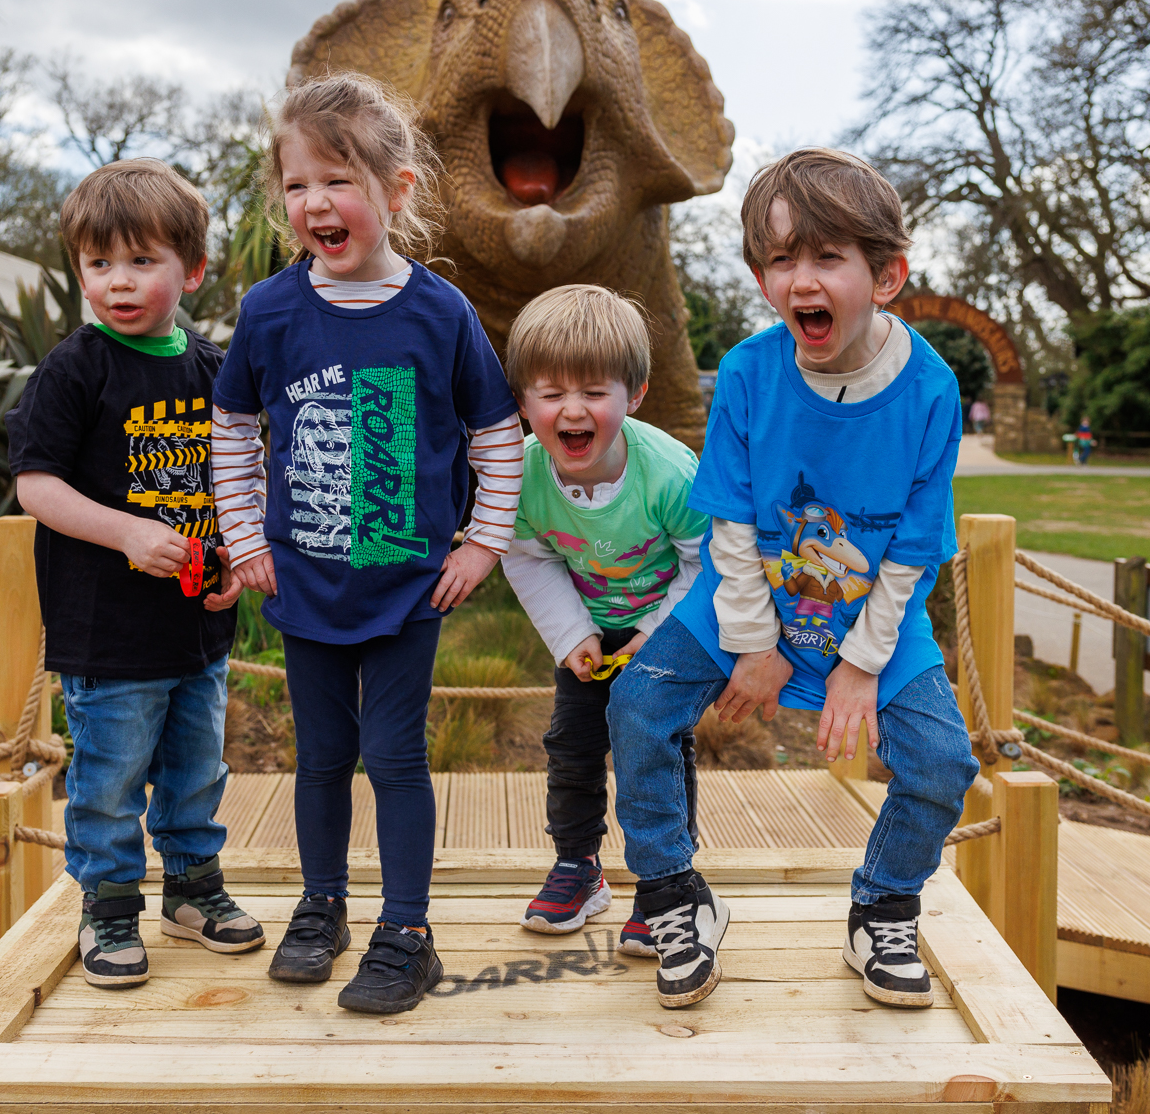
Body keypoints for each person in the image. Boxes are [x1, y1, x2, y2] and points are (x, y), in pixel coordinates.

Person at [608, 148, 977, 1010]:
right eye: (782, 259)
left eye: (827, 257)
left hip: (875, 603)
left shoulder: (930, 390)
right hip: (750, 592)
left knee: (941, 761)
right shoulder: (746, 373)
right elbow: (730, 523)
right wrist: (754, 639)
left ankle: (882, 904)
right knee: (638, 705)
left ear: (887, 275)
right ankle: (672, 893)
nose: (802, 278)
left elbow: (917, 550)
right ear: (759, 276)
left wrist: (862, 662)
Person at [210, 73, 523, 1015]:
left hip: (406, 592)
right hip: (303, 584)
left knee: (392, 758)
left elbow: (496, 433)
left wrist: (483, 543)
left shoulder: (440, 313)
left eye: (338, 180)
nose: (316, 203)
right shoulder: (270, 312)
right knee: (316, 758)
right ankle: (323, 905)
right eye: (298, 185)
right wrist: (242, 534)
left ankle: (407, 930)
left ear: (398, 188)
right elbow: (231, 427)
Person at [7, 159, 260, 991]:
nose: (118, 282)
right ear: (78, 269)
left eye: (142, 262)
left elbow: (239, 474)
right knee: (109, 778)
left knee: (197, 770)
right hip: (106, 630)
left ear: (190, 270)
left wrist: (236, 558)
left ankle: (191, 885)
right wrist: (124, 532)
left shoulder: (215, 369)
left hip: (197, 626)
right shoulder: (74, 370)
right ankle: (108, 903)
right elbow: (36, 485)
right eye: (98, 264)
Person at [497, 285, 709, 953]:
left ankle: (664, 879)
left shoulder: (670, 473)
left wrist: (660, 634)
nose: (572, 408)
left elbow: (708, 561)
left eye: (594, 389)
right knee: (573, 742)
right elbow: (526, 556)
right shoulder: (524, 477)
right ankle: (578, 864)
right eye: (551, 392)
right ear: (524, 402)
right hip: (590, 630)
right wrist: (571, 633)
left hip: (668, 629)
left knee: (656, 743)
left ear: (634, 394)